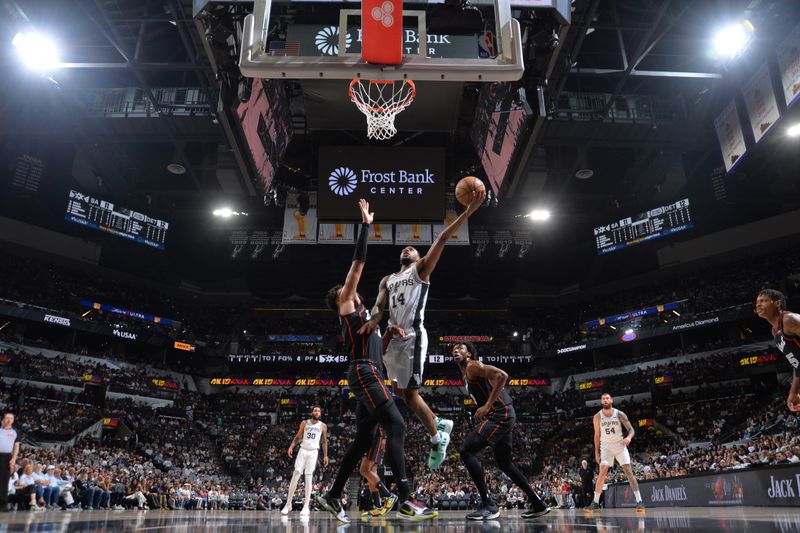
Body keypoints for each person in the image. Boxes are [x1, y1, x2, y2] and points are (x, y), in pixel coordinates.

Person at [317, 199, 436, 524]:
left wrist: (390, 333)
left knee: (362, 441)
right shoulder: (346, 305)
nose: (353, 288)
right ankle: (407, 499)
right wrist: (366, 226)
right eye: (347, 288)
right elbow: (357, 265)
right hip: (364, 374)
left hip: (370, 374)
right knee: (396, 423)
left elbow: (376, 344)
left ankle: (332, 494)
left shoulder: (365, 315)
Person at [360, 188, 487, 468]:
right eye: (404, 249)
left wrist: (466, 213)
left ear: (419, 258)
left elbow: (442, 238)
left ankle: (436, 438)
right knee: (401, 394)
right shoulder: (388, 279)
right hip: (393, 338)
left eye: (412, 249)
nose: (407, 248)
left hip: (413, 337)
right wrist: (373, 320)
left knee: (411, 395)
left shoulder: (421, 271)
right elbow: (380, 306)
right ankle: (439, 421)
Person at [451, 341, 550, 520]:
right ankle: (538, 504)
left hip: (499, 414)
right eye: (454, 349)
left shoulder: (473, 366)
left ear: (469, 354)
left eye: (461, 348)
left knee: (466, 451)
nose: (456, 350)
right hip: (503, 414)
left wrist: (488, 405)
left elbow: (502, 375)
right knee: (504, 463)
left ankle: (489, 505)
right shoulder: (464, 372)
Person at [585, 393, 644, 513]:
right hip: (605, 447)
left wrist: (629, 438)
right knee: (602, 472)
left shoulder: (619, 414)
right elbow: (597, 436)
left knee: (628, 471)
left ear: (611, 400)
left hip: (620, 446)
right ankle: (595, 502)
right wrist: (596, 453)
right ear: (601, 402)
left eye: (607, 398)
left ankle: (639, 501)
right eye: (603, 399)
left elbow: (631, 430)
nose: (605, 400)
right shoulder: (597, 417)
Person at [755, 289, 800, 411]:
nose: (758, 304)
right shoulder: (775, 332)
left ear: (777, 303)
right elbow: (797, 364)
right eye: (757, 302)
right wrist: (794, 392)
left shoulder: (789, 320)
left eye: (763, 301)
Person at [281, 406, 329, 516]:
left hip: (313, 452)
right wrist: (291, 446)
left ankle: (306, 506)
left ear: (320, 414)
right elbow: (298, 436)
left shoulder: (323, 426)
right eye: (315, 410)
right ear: (312, 412)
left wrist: (326, 455)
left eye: (318, 411)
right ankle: (288, 504)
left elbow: (324, 442)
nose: (317, 412)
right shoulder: (304, 423)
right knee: (296, 474)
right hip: (303, 450)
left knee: (308, 476)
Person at [358, 427, 398, 517]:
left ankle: (388, 496)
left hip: (376, 437)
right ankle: (378, 507)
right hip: (370, 437)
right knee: (371, 473)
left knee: (364, 470)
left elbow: (383, 416)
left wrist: (384, 437)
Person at [0, 413, 19, 512]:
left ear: (13, 420)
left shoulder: (15, 432)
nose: (9, 420)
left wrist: (14, 458)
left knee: (4, 480)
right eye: (7, 418)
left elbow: (16, 446)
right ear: (3, 419)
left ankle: (3, 504)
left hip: (7, 457)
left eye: (11, 418)